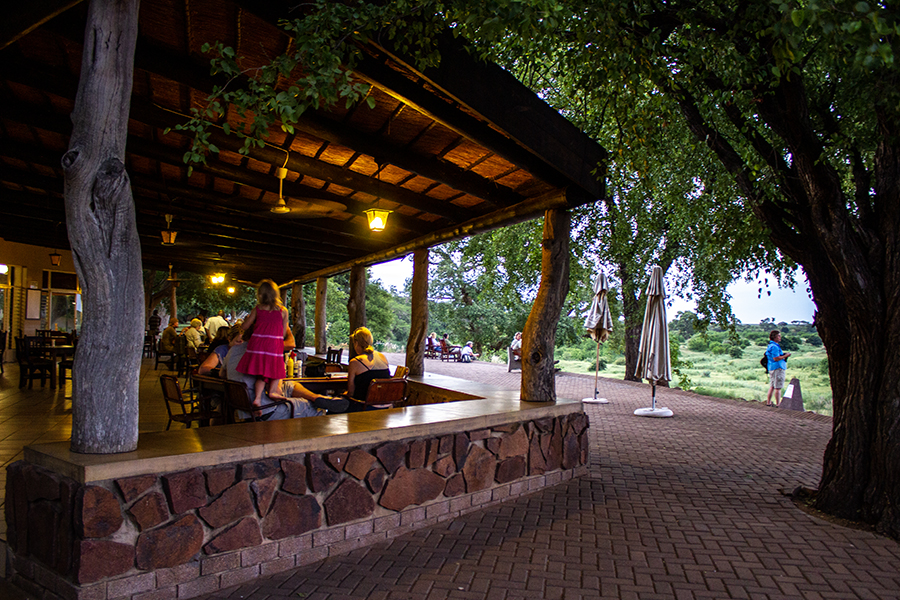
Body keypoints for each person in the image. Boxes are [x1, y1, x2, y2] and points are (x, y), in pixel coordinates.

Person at [224, 334, 347, 418]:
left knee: (289, 385)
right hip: (265, 412)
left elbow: (221, 374)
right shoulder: (265, 351)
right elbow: (277, 392)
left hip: (241, 410)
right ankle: (312, 451)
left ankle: (316, 397)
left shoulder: (233, 350)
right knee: (313, 407)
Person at [237, 279, 289, 404]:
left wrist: (240, 328)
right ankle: (272, 391)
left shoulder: (258, 308)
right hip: (273, 344)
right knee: (276, 370)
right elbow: (283, 333)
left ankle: (257, 398)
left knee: (261, 373)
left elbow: (245, 326)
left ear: (260, 294)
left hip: (257, 343)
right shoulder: (283, 311)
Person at [346, 327, 391, 404]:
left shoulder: (355, 362)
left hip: (363, 406)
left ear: (356, 343)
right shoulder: (382, 357)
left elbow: (351, 392)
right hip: (385, 405)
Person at [765, 330, 791, 407]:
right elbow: (776, 358)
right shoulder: (775, 347)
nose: (780, 337)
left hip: (771, 367)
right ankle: (778, 404)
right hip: (778, 367)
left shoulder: (770, 345)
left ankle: (768, 402)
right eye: (778, 336)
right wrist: (785, 356)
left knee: (772, 386)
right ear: (774, 337)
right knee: (778, 387)